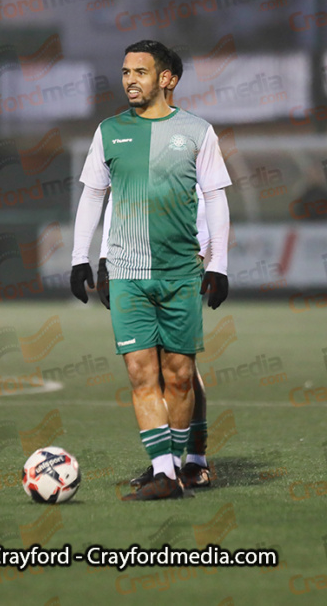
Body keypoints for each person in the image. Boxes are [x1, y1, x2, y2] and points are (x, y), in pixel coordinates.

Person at [70, 40, 231, 500]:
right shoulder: (109, 131)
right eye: (124, 72)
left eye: (140, 72)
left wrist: (218, 263)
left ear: (168, 79)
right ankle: (165, 472)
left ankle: (180, 464)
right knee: (142, 373)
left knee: (179, 375)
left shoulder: (198, 132)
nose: (129, 81)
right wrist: (82, 257)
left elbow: (216, 198)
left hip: (180, 270)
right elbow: (93, 196)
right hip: (126, 272)